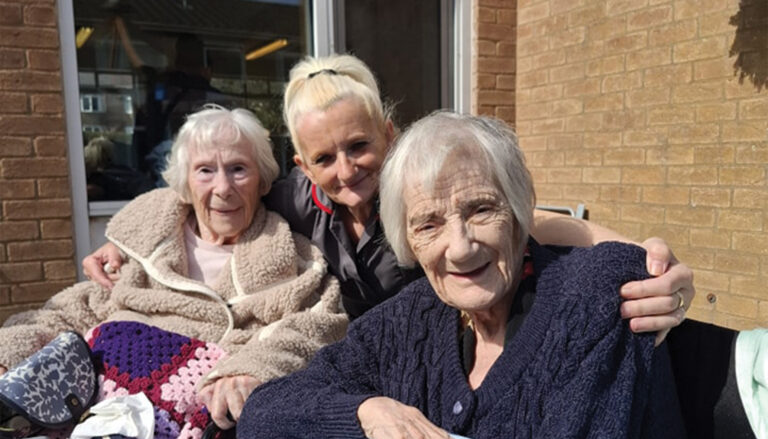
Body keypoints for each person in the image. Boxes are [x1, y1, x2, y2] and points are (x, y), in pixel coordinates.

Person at [228, 112, 711, 439]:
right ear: (407, 240)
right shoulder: (405, 321)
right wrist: (371, 414)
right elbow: (262, 415)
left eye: (481, 209)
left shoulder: (594, 296)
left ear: (519, 208)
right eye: (428, 224)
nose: (459, 248)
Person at [83, 54, 694, 340]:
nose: (346, 170)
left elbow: (533, 221)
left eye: (359, 146)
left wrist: (648, 260)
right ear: (301, 166)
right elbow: (212, 199)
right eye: (324, 159)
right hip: (357, 360)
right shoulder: (294, 199)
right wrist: (123, 249)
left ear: (389, 136)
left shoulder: (424, 192)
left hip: (441, 352)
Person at [0, 105, 347, 439]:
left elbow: (318, 325)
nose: (222, 188)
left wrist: (251, 366)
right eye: (205, 170)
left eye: (238, 169)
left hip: (175, 420)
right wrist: (10, 352)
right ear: (185, 181)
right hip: (88, 402)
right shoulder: (142, 249)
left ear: (263, 179)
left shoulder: (292, 259)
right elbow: (74, 309)